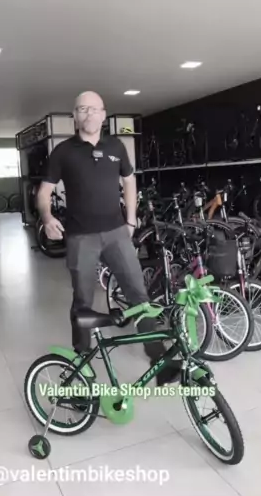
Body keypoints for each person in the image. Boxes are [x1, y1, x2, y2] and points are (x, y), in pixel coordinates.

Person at [36, 91, 171, 371]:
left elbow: (130, 181)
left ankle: (157, 355)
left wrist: (131, 220)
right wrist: (47, 217)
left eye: (94, 109)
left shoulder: (116, 146)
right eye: (83, 109)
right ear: (75, 116)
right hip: (80, 237)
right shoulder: (63, 152)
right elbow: (44, 191)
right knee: (83, 300)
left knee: (138, 294)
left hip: (116, 234)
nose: (89, 114)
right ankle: (81, 357)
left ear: (103, 115)